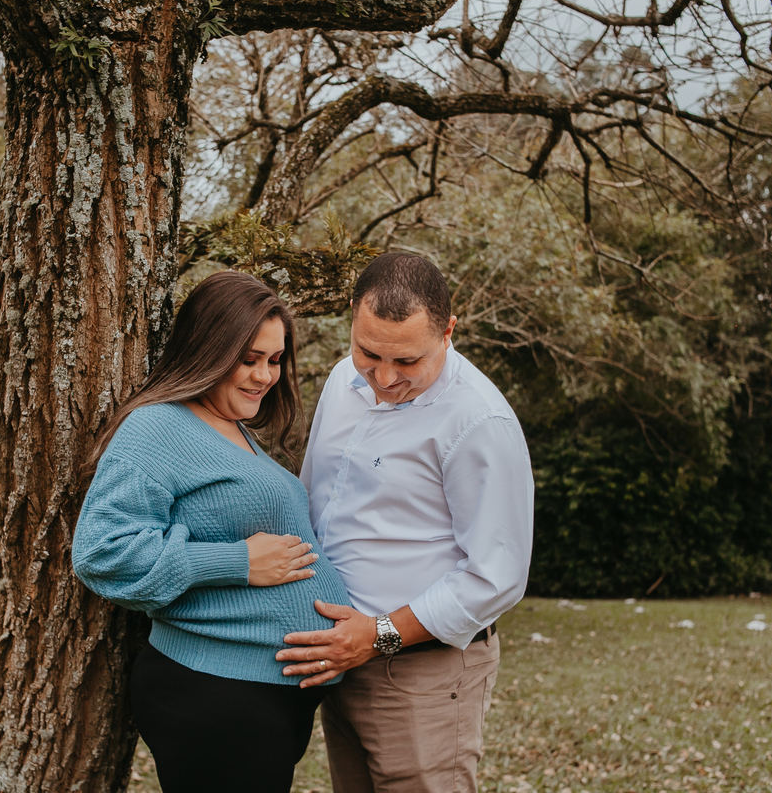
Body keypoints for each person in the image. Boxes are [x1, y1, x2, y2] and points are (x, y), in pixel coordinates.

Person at [72, 271, 352, 793]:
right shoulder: (158, 427)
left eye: (273, 360)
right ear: (207, 349)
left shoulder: (234, 430)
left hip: (258, 697)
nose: (264, 376)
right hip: (215, 693)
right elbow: (101, 550)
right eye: (248, 359)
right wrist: (237, 563)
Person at [276, 252, 535, 793]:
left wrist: (379, 635)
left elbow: (496, 576)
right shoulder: (342, 379)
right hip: (342, 658)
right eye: (370, 353)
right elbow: (315, 501)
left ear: (448, 332)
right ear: (352, 318)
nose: (385, 379)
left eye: (408, 362)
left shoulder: (478, 422)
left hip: (423, 673)